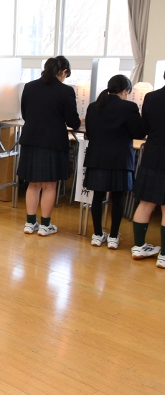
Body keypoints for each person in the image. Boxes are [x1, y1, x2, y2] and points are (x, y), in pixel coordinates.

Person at [18, 56, 81, 236]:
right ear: (63, 72)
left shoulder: (29, 87)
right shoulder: (65, 91)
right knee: (50, 185)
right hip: (53, 142)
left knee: (33, 183)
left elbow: (25, 113)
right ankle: (45, 225)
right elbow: (73, 121)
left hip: (30, 139)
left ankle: (30, 223)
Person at [84, 75, 145, 249]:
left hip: (97, 157)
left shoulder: (94, 106)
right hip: (120, 159)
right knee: (117, 197)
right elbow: (139, 132)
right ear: (125, 91)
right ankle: (112, 237)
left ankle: (96, 235)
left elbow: (90, 132)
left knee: (98, 196)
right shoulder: (129, 107)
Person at [131, 71, 165, 265]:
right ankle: (164, 256)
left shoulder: (151, 97)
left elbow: (144, 128)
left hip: (152, 155)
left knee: (146, 203)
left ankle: (138, 246)